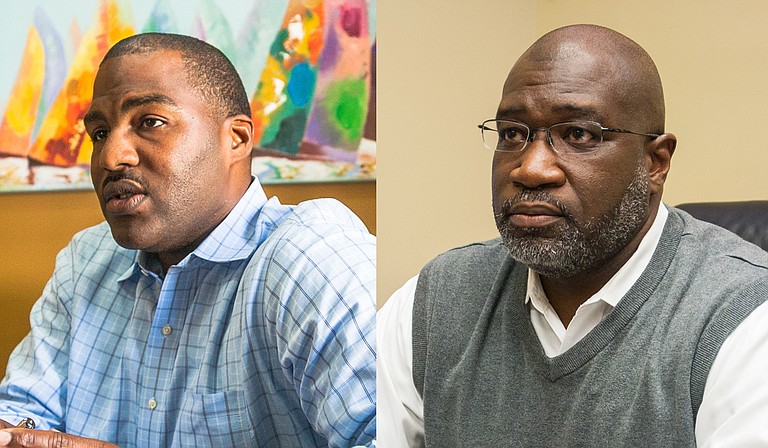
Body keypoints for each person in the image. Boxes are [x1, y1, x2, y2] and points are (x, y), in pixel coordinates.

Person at [378, 24, 768, 447]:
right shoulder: (436, 301)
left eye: (578, 134)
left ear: (655, 163)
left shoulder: (743, 319)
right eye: (512, 133)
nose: (530, 169)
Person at [0, 33, 376, 448]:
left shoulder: (310, 257)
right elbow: (25, 411)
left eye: (150, 122)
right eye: (100, 133)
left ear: (236, 139)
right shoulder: (86, 261)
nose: (111, 157)